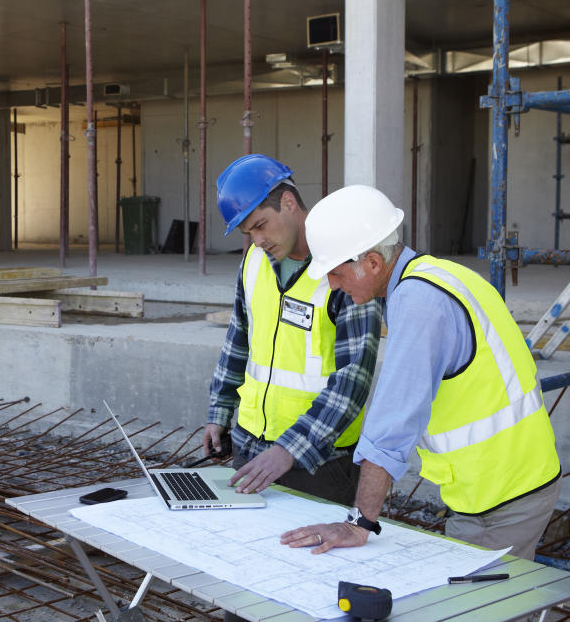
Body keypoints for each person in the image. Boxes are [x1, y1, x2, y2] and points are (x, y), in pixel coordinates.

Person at [280, 185, 561, 562]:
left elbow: (391, 424)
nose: (333, 285)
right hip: (513, 479)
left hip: (501, 496)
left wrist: (359, 522)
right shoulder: (443, 274)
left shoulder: (418, 302)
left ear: (374, 263)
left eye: (336, 272)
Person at [207, 156, 382, 599]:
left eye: (261, 225)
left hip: (319, 465)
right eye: (248, 233)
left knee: (308, 588)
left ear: (289, 203)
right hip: (250, 448)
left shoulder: (345, 267)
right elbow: (238, 341)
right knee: (244, 577)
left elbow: (352, 380)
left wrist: (290, 449)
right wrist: (220, 412)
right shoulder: (253, 263)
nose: (257, 240)